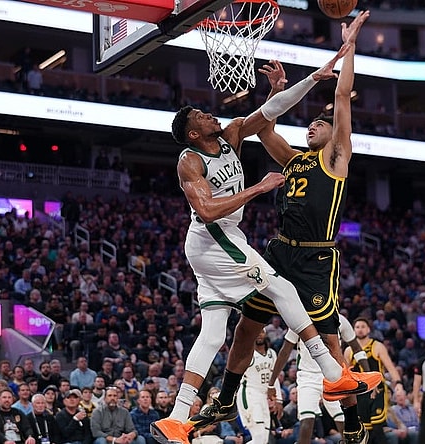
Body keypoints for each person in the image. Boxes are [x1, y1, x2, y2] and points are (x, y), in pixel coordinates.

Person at [150, 28, 379, 444]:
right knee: (277, 292)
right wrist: (258, 186)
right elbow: (206, 207)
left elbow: (268, 114)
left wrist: (312, 76)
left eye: (317, 123)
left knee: (218, 331)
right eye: (202, 117)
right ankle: (331, 377)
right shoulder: (197, 159)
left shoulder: (323, 155)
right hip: (220, 237)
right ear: (194, 135)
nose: (209, 114)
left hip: (310, 255)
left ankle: (179, 416)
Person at [212, 11, 374, 444]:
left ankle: (354, 422)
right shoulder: (294, 158)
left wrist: (349, 46)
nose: (314, 124)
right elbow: (260, 127)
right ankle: (227, 396)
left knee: (329, 343)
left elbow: (341, 98)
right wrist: (276, 92)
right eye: (312, 122)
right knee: (247, 325)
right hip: (281, 251)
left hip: (316, 258)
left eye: (318, 124)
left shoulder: (335, 158)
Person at [269, 314, 369, 444]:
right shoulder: (299, 318)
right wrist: (271, 383)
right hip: (307, 377)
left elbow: (357, 349)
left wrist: (368, 374)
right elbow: (285, 352)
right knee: (306, 422)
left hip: (332, 376)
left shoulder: (341, 320)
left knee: (344, 422)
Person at [345, 318, 404, 444]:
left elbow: (390, 367)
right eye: (357, 327)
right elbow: (346, 374)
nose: (360, 329)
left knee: (377, 427)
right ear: (353, 330)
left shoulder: (377, 346)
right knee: (363, 429)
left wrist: (398, 383)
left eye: (363, 326)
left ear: (368, 329)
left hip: (377, 391)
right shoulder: (349, 350)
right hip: (359, 393)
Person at [235, 331, 279, 444]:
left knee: (264, 439)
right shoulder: (247, 353)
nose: (259, 334)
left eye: (262, 331)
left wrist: (278, 400)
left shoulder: (272, 354)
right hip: (250, 395)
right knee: (259, 437)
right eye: (257, 331)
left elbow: (275, 377)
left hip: (263, 397)